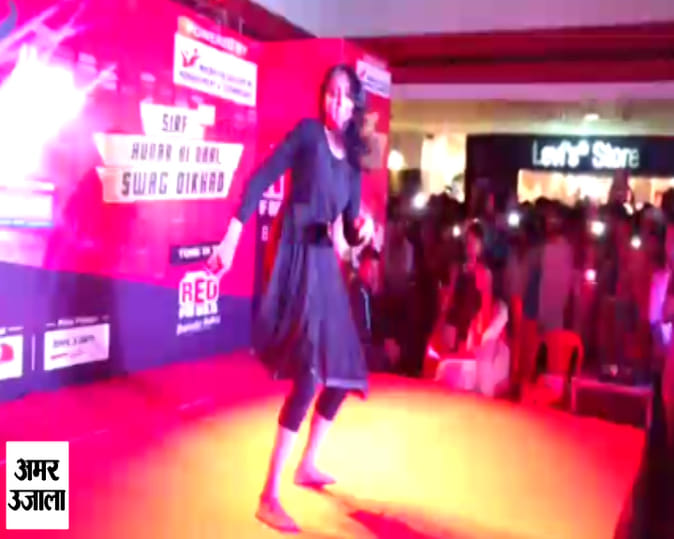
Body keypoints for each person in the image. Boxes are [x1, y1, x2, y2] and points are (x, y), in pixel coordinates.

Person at [207, 64, 374, 533]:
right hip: (295, 254)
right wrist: (232, 235)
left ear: (355, 105)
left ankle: (308, 463)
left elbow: (347, 230)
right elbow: (260, 179)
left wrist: (362, 231)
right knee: (310, 373)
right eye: (331, 93)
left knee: (343, 370)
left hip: (325, 262)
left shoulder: (352, 164)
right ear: (324, 97)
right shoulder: (307, 135)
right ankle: (269, 496)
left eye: (345, 96)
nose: (337, 101)